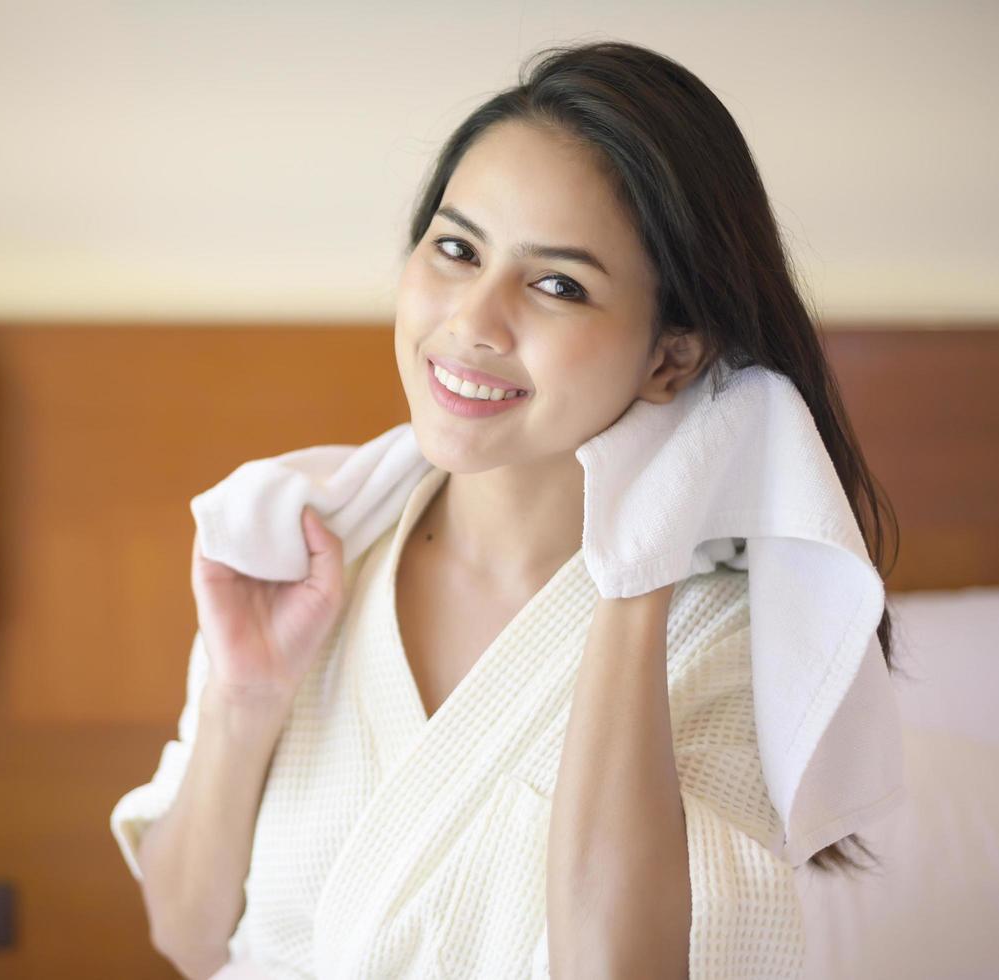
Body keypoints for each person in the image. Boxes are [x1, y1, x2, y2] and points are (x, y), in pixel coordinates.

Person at [111, 38, 897, 979]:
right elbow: (186, 940)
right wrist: (245, 700)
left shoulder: (725, 643)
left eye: (556, 284)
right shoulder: (308, 550)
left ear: (671, 357)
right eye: (456, 249)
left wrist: (634, 584)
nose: (473, 322)